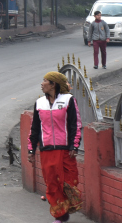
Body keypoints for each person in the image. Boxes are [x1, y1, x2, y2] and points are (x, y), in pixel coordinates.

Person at [27, 72, 82, 223]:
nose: (42, 83)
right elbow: (34, 128)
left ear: (53, 84)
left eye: (45, 81)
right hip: (47, 150)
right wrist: (31, 150)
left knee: (68, 183)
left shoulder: (68, 100)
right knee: (52, 183)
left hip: (65, 150)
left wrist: (74, 145)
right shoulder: (39, 103)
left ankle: (68, 207)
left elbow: (75, 124)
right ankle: (60, 216)